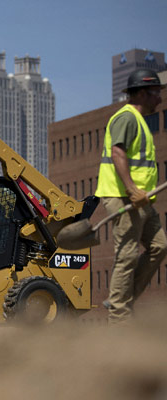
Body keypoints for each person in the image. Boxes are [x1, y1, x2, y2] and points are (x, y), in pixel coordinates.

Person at [95, 69, 167, 323]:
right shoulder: (126, 118)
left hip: (142, 200)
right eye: (156, 93)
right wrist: (131, 189)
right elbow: (118, 154)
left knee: (160, 246)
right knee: (126, 254)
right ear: (141, 93)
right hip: (125, 197)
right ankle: (119, 317)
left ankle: (122, 299)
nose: (159, 99)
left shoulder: (140, 122)